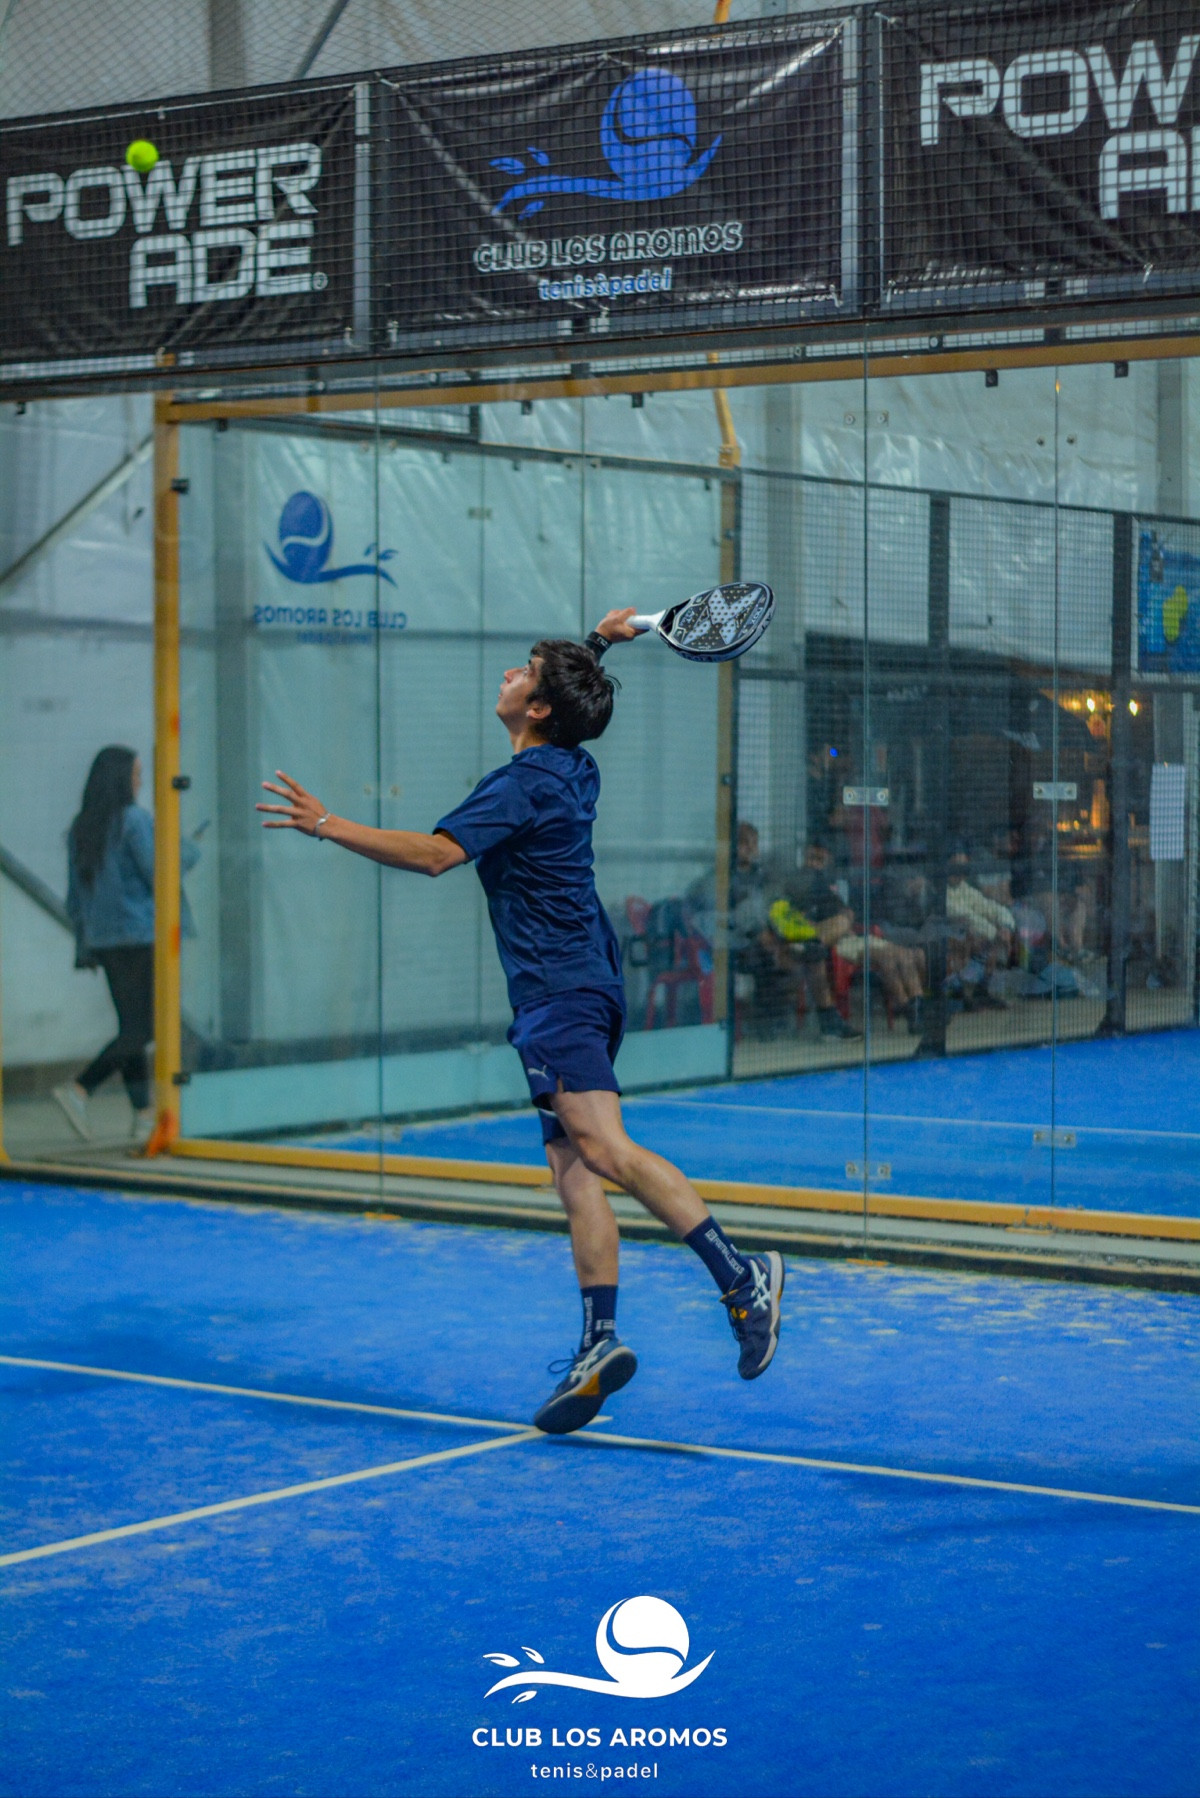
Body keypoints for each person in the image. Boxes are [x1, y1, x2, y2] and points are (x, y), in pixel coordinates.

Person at [258, 610, 784, 1436]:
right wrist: (599, 645)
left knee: (603, 1150)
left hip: (559, 992)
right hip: (580, 987)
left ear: (539, 707)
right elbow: (575, 704)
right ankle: (599, 1340)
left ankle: (741, 1277)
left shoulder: (523, 784)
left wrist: (327, 823)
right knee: (574, 1170)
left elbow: (435, 855)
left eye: (524, 672)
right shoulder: (575, 767)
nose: (508, 673)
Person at [55, 746, 198, 1145]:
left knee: (130, 1027)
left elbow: (75, 899)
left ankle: (143, 1116)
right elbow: (160, 872)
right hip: (139, 936)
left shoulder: (83, 827)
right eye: (136, 774)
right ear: (120, 780)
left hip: (106, 941)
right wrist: (186, 849)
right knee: (145, 1027)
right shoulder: (133, 820)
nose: (140, 781)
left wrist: (85, 947)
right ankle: (80, 1088)